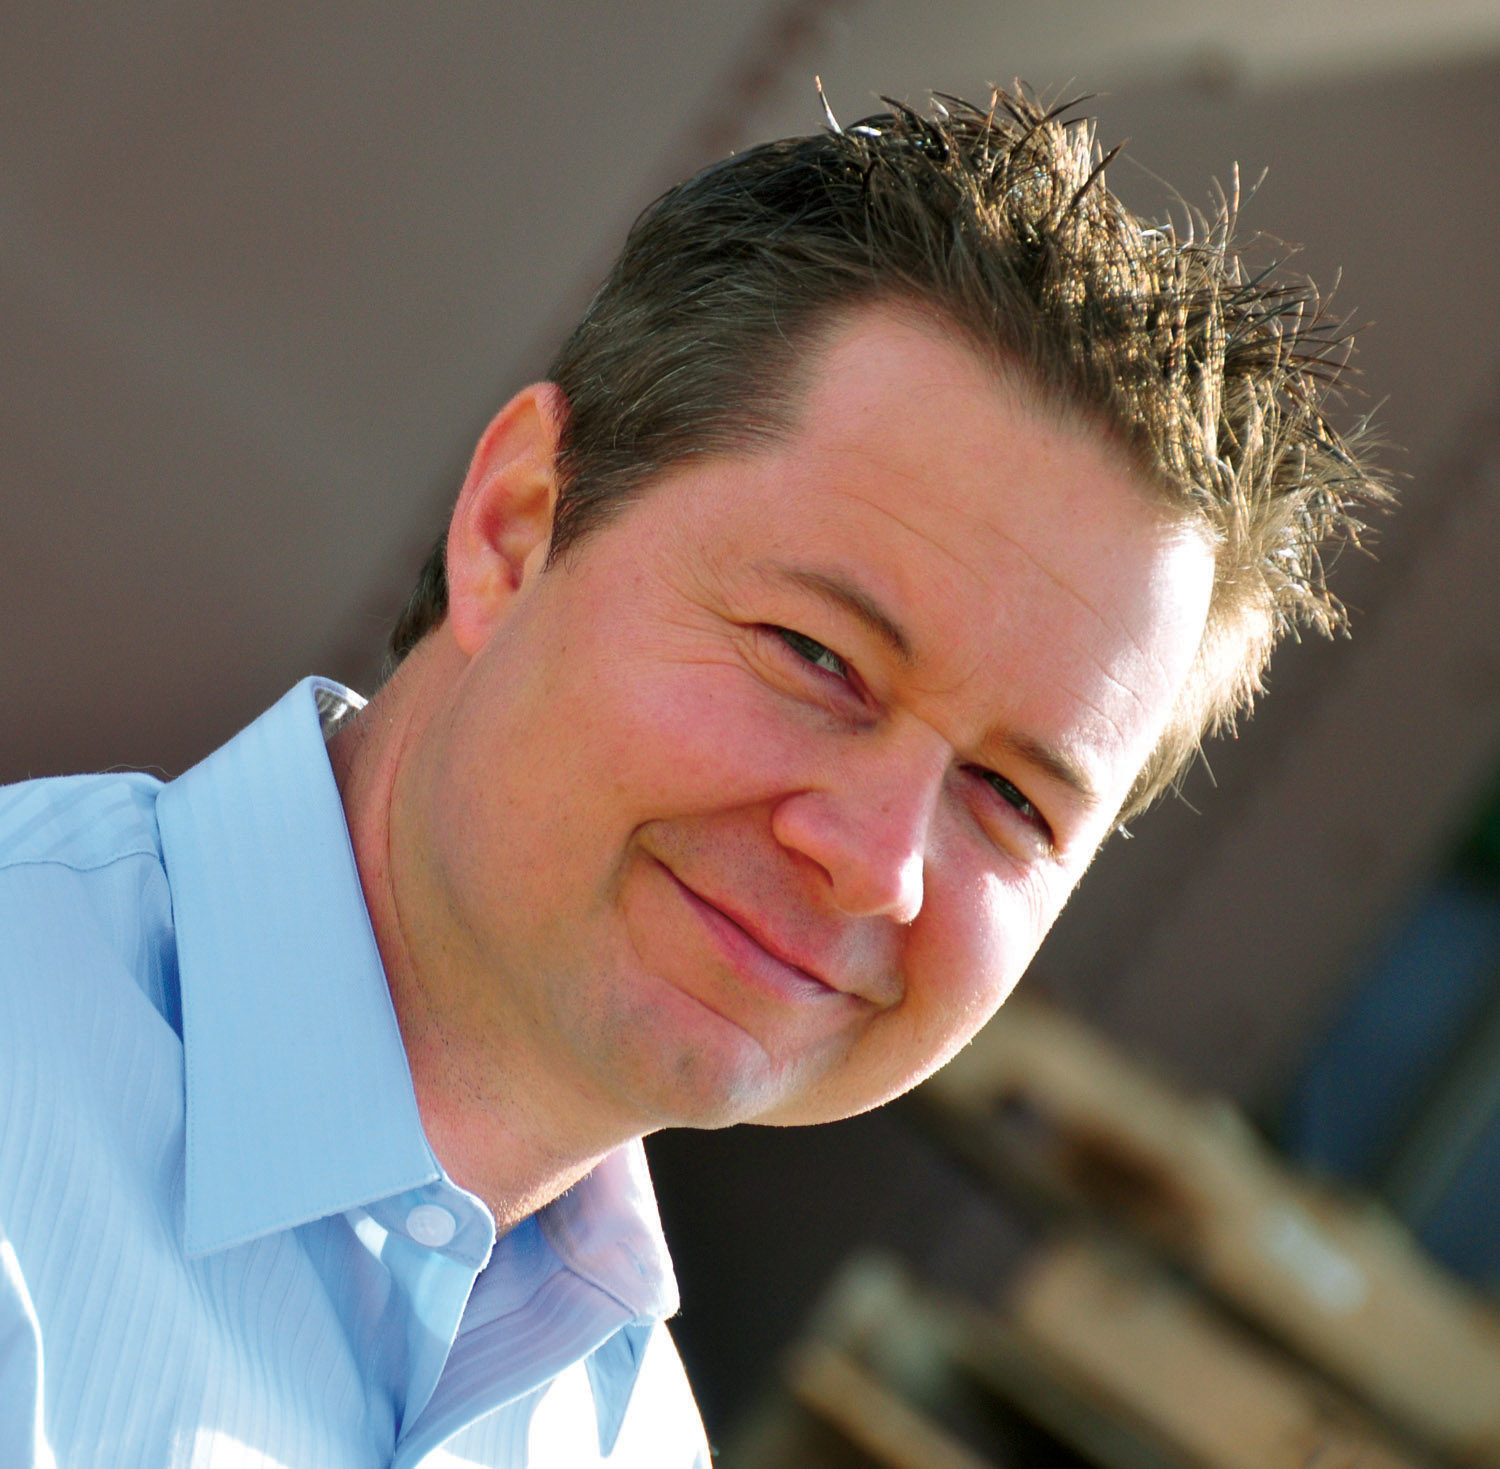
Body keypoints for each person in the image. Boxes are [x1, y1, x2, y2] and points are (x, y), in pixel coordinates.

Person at [0, 90, 1385, 1467]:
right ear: (516, 527)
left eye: (1015, 801)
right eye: (819, 656)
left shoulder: (630, 1439)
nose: (878, 860)